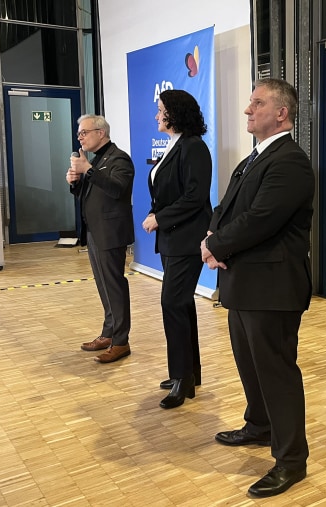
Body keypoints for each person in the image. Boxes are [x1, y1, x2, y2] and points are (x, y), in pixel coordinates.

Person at [201, 78, 314, 498]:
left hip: (272, 288)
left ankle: (291, 461)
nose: (248, 110)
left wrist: (213, 245)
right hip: (243, 282)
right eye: (249, 103)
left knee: (276, 372)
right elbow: (227, 208)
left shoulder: (290, 162)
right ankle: (259, 424)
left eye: (257, 103)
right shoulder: (254, 159)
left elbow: (262, 219)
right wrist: (212, 238)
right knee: (250, 364)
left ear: (281, 113)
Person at [141, 90, 212, 409]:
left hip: (185, 239)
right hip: (173, 239)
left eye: (160, 110)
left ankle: (182, 381)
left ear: (175, 113)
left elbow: (195, 197)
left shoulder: (194, 147)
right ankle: (186, 374)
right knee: (180, 306)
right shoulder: (176, 144)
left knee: (172, 303)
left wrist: (160, 218)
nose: (156, 116)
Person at [67, 114, 135, 363]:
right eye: (79, 134)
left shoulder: (120, 159)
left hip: (111, 232)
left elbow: (117, 189)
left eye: (84, 132)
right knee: (103, 285)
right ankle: (109, 332)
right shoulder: (96, 160)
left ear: (101, 133)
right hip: (94, 231)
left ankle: (121, 341)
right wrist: (75, 183)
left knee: (114, 285)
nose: (80, 137)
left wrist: (89, 171)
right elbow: (89, 194)